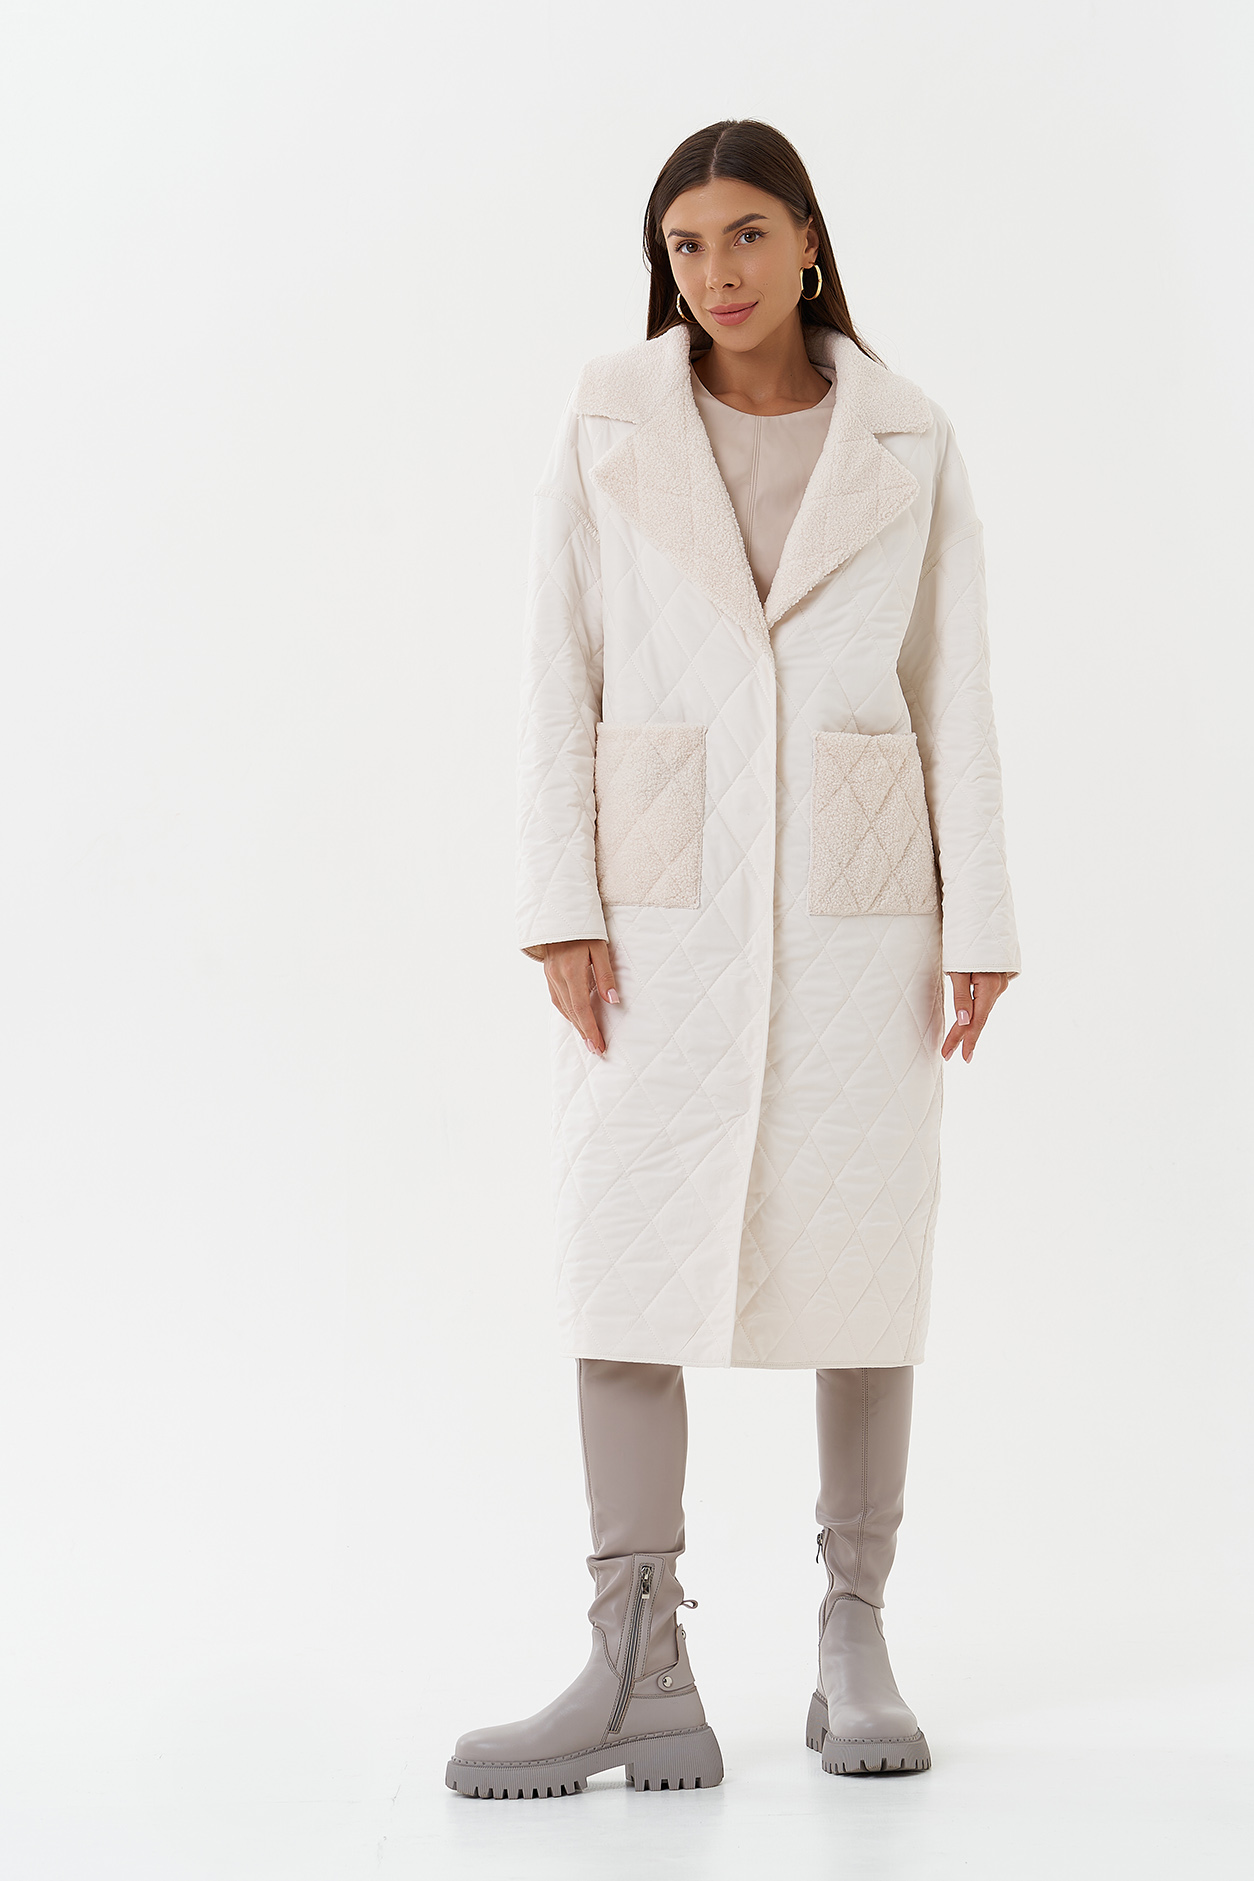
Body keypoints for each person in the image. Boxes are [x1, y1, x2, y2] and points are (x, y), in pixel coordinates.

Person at [446, 118, 1020, 1801]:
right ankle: (638, 1662)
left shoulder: (905, 433)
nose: (718, 272)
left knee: (863, 1257)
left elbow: (954, 681)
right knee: (622, 1252)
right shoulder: (608, 421)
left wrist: (979, 914)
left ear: (809, 241)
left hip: (861, 908)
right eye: (687, 245)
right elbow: (556, 661)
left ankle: (853, 1636)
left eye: (748, 234)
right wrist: (560, 896)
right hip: (655, 905)